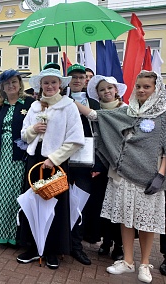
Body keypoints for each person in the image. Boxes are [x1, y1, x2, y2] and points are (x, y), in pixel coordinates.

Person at [75, 70, 166, 283]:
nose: (142, 90)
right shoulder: (130, 111)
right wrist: (69, 102)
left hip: (149, 177)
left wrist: (161, 175)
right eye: (139, 86)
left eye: (147, 87)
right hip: (124, 174)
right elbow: (97, 116)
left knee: (146, 222)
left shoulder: (163, 115)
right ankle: (127, 261)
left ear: (156, 89)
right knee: (125, 219)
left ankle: (144, 264)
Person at [17, 68, 85, 269]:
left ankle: (53, 250)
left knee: (54, 207)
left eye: (53, 82)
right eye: (45, 83)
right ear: (40, 86)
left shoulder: (68, 106)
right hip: (35, 161)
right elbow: (23, 134)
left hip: (55, 163)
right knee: (33, 204)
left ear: (60, 85)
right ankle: (32, 247)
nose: (49, 86)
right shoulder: (35, 107)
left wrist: (54, 159)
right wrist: (33, 130)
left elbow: (75, 140)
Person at [0, 69, 35, 245]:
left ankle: (17, 236)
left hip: (20, 157)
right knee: (3, 195)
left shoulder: (29, 103)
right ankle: (1, 233)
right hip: (3, 158)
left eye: (14, 82)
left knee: (17, 195)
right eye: (7, 83)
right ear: (2, 87)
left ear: (20, 84)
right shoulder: (0, 106)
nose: (11, 85)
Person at [84, 75, 127, 262]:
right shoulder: (97, 112)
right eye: (102, 89)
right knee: (104, 206)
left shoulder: (127, 111)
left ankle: (120, 245)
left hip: (122, 167)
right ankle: (106, 242)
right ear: (98, 93)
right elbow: (97, 142)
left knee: (120, 208)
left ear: (116, 90)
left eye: (110, 88)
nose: (106, 92)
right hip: (103, 166)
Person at [66, 64, 100, 266]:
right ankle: (61, 243)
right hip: (64, 161)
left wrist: (98, 164)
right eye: (73, 77)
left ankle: (76, 246)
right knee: (61, 204)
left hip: (85, 163)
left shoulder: (94, 104)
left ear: (86, 80)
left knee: (79, 206)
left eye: (81, 77)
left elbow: (101, 135)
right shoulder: (61, 101)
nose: (77, 80)